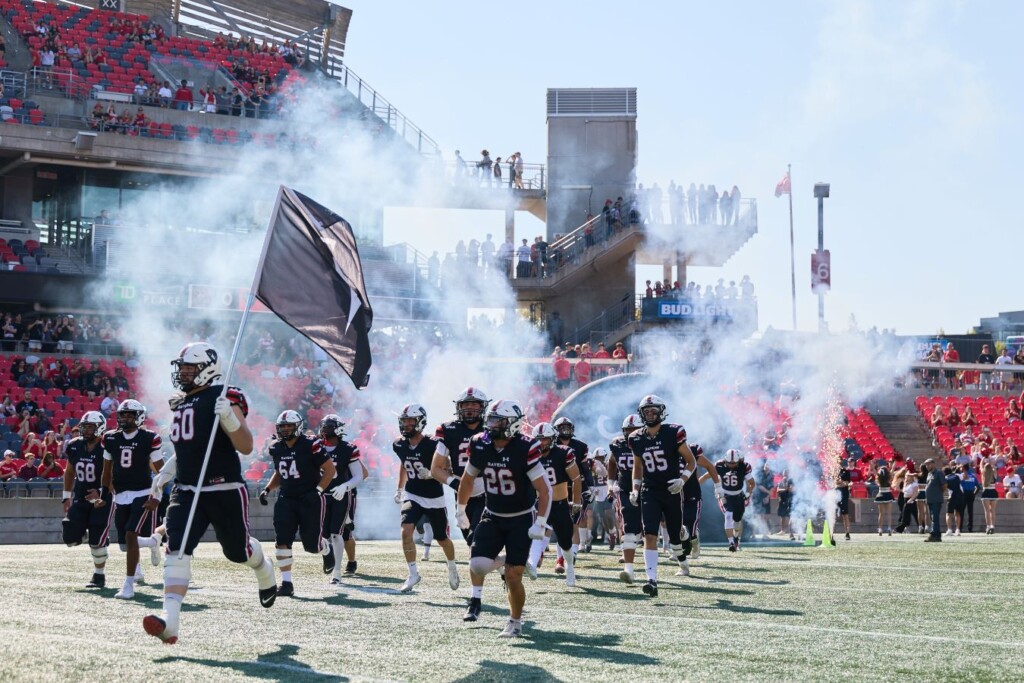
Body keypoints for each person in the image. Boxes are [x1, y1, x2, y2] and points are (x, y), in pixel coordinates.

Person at [142, 343, 277, 645]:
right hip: (188, 489)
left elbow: (245, 446)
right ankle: (169, 622)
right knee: (176, 551)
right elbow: (186, 450)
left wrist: (229, 417)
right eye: (182, 367)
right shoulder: (181, 403)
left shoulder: (225, 395)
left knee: (237, 553)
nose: (183, 373)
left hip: (223, 487)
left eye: (190, 367)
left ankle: (265, 570)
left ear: (208, 368)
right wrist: (164, 476)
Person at [456, 399, 551, 637]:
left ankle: (515, 622)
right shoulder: (480, 444)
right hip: (493, 514)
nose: (492, 425)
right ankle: (510, 560)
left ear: (513, 424)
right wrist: (460, 508)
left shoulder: (525, 447)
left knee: (513, 576)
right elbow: (468, 479)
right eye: (491, 419)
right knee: (477, 565)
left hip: (521, 518)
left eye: (499, 421)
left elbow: (545, 489)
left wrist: (540, 521)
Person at [259, 410, 336, 597]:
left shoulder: (311, 444)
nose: (285, 429)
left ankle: (325, 548)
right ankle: (286, 583)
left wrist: (317, 491)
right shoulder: (277, 447)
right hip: (286, 499)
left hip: (310, 498)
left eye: (289, 426)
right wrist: (268, 489)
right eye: (282, 426)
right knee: (282, 541)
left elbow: (330, 470)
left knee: (311, 546)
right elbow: (280, 472)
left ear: (298, 426)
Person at [627, 394, 698, 597]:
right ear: (641, 414)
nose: (650, 414)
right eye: (646, 411)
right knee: (650, 533)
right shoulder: (636, 438)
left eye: (653, 411)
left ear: (661, 412)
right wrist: (635, 488)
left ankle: (682, 561)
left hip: (671, 489)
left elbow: (691, 462)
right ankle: (652, 580)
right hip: (650, 491)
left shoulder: (673, 432)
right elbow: (638, 466)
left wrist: (682, 480)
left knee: (675, 537)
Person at [430, 387, 489, 613]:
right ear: (458, 408)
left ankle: (475, 599)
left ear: (483, 408)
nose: (470, 408)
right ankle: (503, 562)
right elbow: (435, 468)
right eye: (466, 405)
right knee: (473, 543)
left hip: (490, 491)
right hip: (462, 495)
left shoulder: (492, 428)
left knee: (478, 544)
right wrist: (456, 483)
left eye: (475, 404)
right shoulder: (449, 430)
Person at [100, 399, 164, 600]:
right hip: (120, 495)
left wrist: (157, 496)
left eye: (130, 415)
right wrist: (103, 495)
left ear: (140, 417)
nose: (125, 418)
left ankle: (128, 584)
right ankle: (154, 541)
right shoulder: (110, 438)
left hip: (143, 492)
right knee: (124, 544)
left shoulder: (149, 438)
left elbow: (161, 471)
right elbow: (106, 471)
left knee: (130, 534)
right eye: (123, 414)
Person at [392, 403, 459, 593]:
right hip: (412, 494)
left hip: (433, 497)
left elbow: (448, 468)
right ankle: (413, 574)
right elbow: (405, 464)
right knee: (406, 530)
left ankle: (452, 566)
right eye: (404, 421)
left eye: (410, 421)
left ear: (420, 422)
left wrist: (430, 474)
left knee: (442, 538)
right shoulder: (399, 444)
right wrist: (399, 488)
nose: (406, 425)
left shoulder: (432, 444)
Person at [61, 411, 115, 590]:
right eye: (84, 427)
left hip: (103, 499)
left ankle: (99, 576)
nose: (85, 431)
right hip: (81, 497)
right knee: (70, 537)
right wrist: (66, 496)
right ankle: (90, 535)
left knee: (96, 542)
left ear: (100, 427)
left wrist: (101, 491)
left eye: (90, 427)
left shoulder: (108, 446)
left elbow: (116, 475)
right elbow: (69, 471)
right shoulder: (75, 445)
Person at [524, 422, 581, 587]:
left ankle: (570, 567)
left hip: (559, 503)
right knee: (535, 533)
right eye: (539, 440)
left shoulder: (563, 453)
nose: (542, 443)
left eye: (545, 439)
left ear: (553, 439)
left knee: (565, 542)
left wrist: (577, 501)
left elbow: (576, 478)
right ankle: (533, 565)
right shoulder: (530, 455)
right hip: (539, 503)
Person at [318, 414, 363, 583]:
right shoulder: (316, 446)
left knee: (337, 534)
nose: (324, 430)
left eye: (328, 427)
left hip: (341, 496)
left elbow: (359, 476)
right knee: (321, 536)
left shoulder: (347, 448)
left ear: (338, 429)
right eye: (324, 426)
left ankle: (337, 572)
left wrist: (345, 486)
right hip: (321, 495)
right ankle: (329, 557)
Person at [606, 414, 644, 583]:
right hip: (625, 487)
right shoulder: (617, 444)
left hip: (647, 487)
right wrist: (610, 483)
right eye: (627, 430)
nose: (630, 432)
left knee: (645, 527)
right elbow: (612, 462)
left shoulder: (646, 442)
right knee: (627, 523)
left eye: (633, 429)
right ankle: (628, 569)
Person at [552, 416, 593, 565]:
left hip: (577, 487)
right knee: (559, 525)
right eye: (562, 428)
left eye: (567, 427)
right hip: (557, 487)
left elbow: (585, 468)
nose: (565, 430)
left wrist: (591, 485)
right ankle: (560, 558)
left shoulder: (580, 446)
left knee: (574, 523)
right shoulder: (551, 444)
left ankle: (573, 554)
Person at [680, 443, 721, 570]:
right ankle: (679, 551)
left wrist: (718, 487)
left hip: (691, 492)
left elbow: (709, 465)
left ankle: (694, 538)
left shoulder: (690, 450)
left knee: (690, 522)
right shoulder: (661, 450)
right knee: (676, 524)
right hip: (672, 493)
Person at [715, 449, 753, 553]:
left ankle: (736, 539)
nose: (732, 465)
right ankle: (731, 542)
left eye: (734, 463)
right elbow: (713, 476)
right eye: (729, 463)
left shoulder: (744, 466)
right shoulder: (719, 465)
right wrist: (718, 492)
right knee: (728, 516)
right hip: (726, 495)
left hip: (739, 495)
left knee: (737, 521)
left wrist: (748, 494)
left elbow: (751, 483)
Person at [923, 459, 946, 542]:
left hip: (936, 499)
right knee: (933, 518)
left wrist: (939, 493)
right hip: (930, 499)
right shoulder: (929, 474)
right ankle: (937, 535)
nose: (927, 466)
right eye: (926, 465)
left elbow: (944, 485)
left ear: (933, 464)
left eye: (928, 464)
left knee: (934, 517)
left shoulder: (938, 473)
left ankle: (933, 534)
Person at [874, 463, 895, 535]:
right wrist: (895, 460)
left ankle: (880, 529)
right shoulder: (889, 477)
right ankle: (889, 528)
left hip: (880, 495)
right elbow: (892, 468)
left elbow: (873, 470)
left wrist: (870, 461)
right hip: (888, 495)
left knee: (881, 513)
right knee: (889, 513)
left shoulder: (879, 477)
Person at [944, 466, 964, 536]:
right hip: (961, 495)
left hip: (952, 496)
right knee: (957, 513)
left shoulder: (945, 478)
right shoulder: (957, 475)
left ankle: (949, 530)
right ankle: (958, 530)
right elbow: (963, 476)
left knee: (948, 513)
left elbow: (945, 487)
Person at [980, 460, 998, 533]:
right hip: (993, 492)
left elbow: (981, 466)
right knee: (993, 510)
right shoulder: (994, 473)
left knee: (987, 511)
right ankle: (992, 526)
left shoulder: (983, 474)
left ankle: (988, 527)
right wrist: (991, 465)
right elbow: (994, 467)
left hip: (986, 492)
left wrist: (982, 460)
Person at [960, 463, 979, 532]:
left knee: (961, 511)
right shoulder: (973, 476)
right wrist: (974, 494)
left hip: (963, 494)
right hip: (971, 494)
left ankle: (959, 527)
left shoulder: (962, 476)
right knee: (970, 511)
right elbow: (978, 487)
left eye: (961, 467)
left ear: (964, 468)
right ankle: (970, 528)